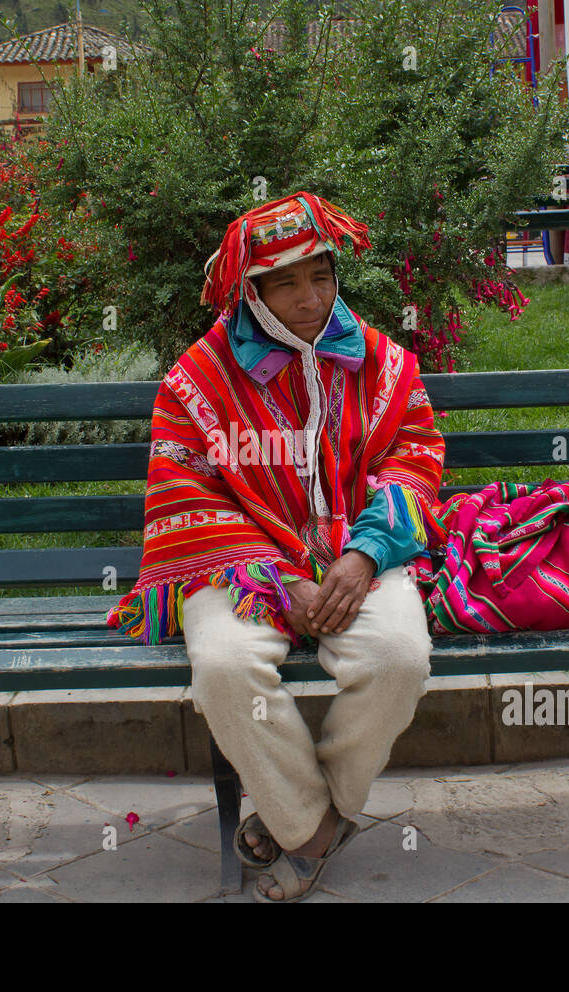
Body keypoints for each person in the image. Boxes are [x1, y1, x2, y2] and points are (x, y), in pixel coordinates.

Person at [108, 191, 448, 903]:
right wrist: (275, 578)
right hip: (237, 563)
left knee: (400, 656)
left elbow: (413, 457)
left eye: (320, 276)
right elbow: (188, 495)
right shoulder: (196, 379)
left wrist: (363, 555)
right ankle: (316, 828)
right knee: (225, 666)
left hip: (356, 553)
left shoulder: (382, 365)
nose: (309, 297)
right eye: (285, 283)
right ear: (251, 293)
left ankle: (302, 812)